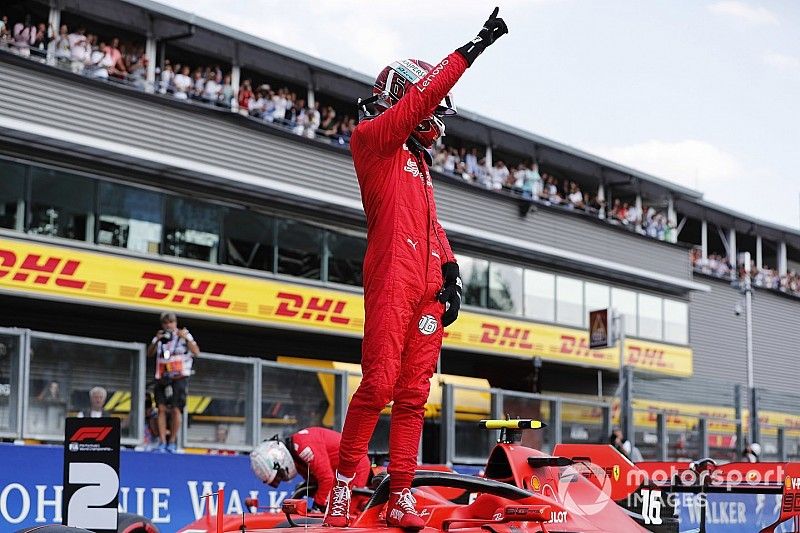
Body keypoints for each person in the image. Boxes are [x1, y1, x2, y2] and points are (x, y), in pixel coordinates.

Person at [322, 9, 508, 530]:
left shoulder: (418, 162)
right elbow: (421, 102)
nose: (438, 123)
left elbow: (430, 225)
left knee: (413, 398)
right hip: (391, 278)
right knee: (377, 385)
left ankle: (401, 494)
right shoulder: (373, 141)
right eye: (431, 109)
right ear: (405, 95)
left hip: (424, 286)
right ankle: (341, 489)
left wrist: (450, 273)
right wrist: (470, 50)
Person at [251, 427, 371, 513]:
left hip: (355, 467)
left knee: (344, 514)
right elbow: (318, 483)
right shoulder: (297, 456)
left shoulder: (303, 446)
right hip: (340, 473)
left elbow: (327, 479)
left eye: (279, 475)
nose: (282, 478)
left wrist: (317, 507)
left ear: (280, 459)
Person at [147, 311, 199, 452]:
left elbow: (196, 351)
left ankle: (172, 442)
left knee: (176, 409)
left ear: (175, 323)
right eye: (165, 322)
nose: (168, 325)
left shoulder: (184, 334)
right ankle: (162, 442)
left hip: (180, 377)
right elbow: (149, 353)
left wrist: (186, 339)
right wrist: (156, 340)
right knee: (161, 409)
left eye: (171, 322)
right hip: (163, 377)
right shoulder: (160, 337)